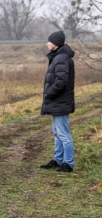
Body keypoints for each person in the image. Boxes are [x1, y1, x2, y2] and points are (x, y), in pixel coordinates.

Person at [40, 31, 75, 173]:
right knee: (57, 132)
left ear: (55, 44)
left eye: (49, 41)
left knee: (63, 134)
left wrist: (49, 94)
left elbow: (61, 82)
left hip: (60, 101)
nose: (47, 43)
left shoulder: (61, 58)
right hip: (58, 102)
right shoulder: (58, 57)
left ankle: (68, 163)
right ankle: (58, 160)